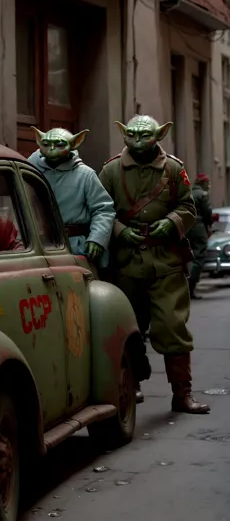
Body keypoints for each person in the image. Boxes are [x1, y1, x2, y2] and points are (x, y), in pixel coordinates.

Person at [99, 115, 210, 414]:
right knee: (129, 327)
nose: (137, 140)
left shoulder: (174, 168)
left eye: (144, 135)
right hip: (127, 263)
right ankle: (130, 386)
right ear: (123, 134)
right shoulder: (110, 170)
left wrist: (171, 223)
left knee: (173, 325)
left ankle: (182, 393)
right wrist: (121, 232)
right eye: (131, 134)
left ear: (159, 135)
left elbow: (188, 207)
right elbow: (100, 210)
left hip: (166, 260)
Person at [28, 127, 115, 266]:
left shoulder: (85, 175)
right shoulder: (29, 170)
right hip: (37, 244)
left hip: (74, 246)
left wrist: (97, 238)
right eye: (46, 144)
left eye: (60, 144)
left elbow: (103, 209)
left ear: (75, 143)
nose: (51, 148)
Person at [187, 173, 213, 300]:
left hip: (185, 226)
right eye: (208, 183)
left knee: (186, 256)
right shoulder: (203, 194)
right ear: (203, 183)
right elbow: (208, 213)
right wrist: (209, 226)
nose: (209, 186)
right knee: (199, 256)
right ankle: (191, 286)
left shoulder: (188, 192)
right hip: (198, 226)